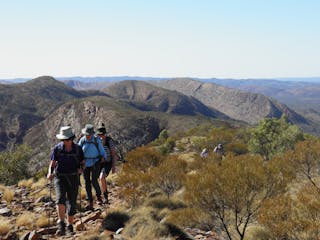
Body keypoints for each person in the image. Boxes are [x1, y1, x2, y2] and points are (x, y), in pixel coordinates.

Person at [47, 126, 84, 236]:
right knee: (60, 199)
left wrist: (81, 169)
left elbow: (83, 162)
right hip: (60, 177)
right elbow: (52, 163)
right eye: (63, 139)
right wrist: (50, 172)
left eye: (67, 139)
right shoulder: (57, 148)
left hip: (73, 177)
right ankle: (61, 224)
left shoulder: (78, 149)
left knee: (72, 203)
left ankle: (70, 225)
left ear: (72, 138)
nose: (65, 141)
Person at [78, 124, 107, 210]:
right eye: (86, 134)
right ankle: (90, 201)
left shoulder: (96, 140)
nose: (87, 136)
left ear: (91, 134)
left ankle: (99, 197)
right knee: (87, 182)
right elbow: (78, 151)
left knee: (94, 180)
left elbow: (102, 150)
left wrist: (103, 157)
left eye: (89, 134)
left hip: (95, 162)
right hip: (85, 163)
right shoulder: (82, 140)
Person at [96, 123, 118, 204]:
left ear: (105, 134)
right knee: (98, 179)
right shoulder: (96, 141)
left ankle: (105, 197)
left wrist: (113, 167)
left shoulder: (109, 141)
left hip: (107, 163)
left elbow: (113, 154)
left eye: (102, 134)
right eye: (99, 135)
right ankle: (100, 196)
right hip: (98, 163)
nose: (101, 136)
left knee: (102, 177)